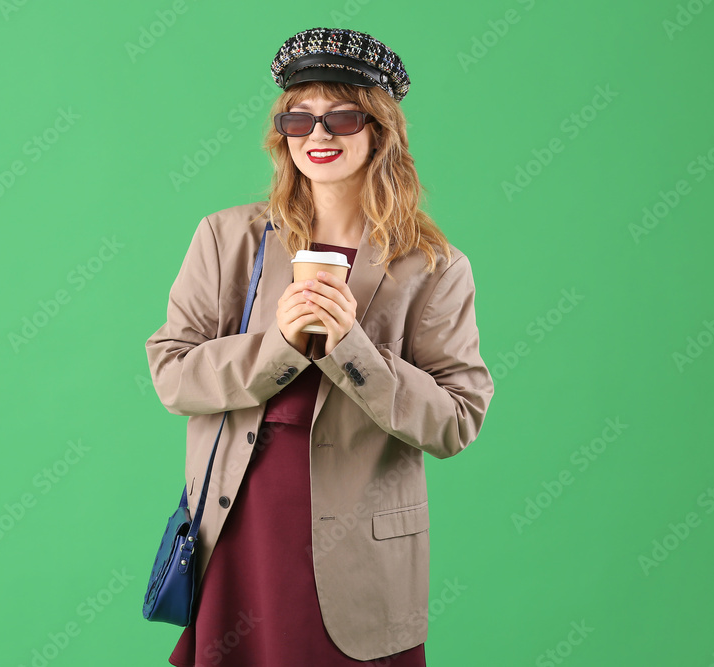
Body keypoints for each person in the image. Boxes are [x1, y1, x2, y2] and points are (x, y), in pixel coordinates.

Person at [146, 26, 495, 666]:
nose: (319, 135)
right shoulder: (228, 239)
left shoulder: (434, 266)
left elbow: (456, 420)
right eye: (298, 119)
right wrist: (281, 346)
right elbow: (173, 375)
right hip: (240, 521)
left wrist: (352, 348)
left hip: (359, 544)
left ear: (380, 129)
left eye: (342, 116)